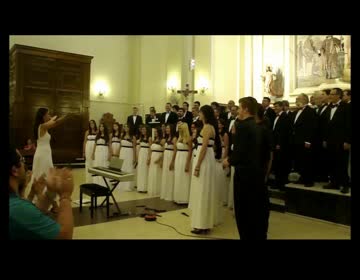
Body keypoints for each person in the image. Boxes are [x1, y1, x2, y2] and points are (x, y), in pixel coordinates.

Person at [223, 97, 270, 240]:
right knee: (258, 209)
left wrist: (228, 160)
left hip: (244, 175)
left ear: (246, 109)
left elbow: (239, 152)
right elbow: (266, 153)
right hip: (258, 173)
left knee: (243, 211)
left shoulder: (242, 126)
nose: (238, 110)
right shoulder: (262, 127)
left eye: (239, 107)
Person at [9, 147, 74, 239]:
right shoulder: (16, 208)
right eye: (22, 160)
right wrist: (65, 195)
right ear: (15, 170)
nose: (24, 165)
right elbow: (64, 236)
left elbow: (30, 218)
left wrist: (49, 192)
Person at [27, 108, 69, 213]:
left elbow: (55, 123)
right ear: (43, 116)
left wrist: (64, 118)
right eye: (47, 114)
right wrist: (61, 116)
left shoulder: (44, 127)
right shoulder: (42, 126)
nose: (49, 116)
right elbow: (54, 121)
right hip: (42, 156)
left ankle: (48, 204)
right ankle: (51, 205)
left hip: (44, 155)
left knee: (45, 178)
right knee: (46, 178)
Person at [189, 105, 221, 234]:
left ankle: (202, 224)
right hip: (206, 158)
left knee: (202, 190)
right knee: (202, 189)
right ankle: (202, 222)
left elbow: (204, 148)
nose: (199, 114)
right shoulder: (207, 127)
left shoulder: (208, 127)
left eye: (201, 112)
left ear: (205, 114)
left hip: (204, 159)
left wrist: (197, 166)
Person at [323, 88, 351, 193]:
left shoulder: (346, 106)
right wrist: (325, 139)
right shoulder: (329, 107)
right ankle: (334, 183)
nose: (329, 96)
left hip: (342, 141)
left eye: (332, 94)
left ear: (338, 95)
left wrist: (348, 141)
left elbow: (349, 124)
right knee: (331, 162)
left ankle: (345, 185)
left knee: (342, 163)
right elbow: (326, 125)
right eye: (329, 94)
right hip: (330, 141)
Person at [290, 93, 317, 187]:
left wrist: (308, 140)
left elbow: (312, 127)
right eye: (296, 99)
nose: (296, 101)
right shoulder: (296, 111)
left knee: (307, 161)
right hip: (296, 141)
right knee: (299, 160)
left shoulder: (310, 111)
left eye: (298, 99)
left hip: (305, 141)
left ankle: (309, 180)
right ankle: (302, 178)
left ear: (305, 100)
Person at [271, 101, 290, 190]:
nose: (275, 108)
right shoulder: (276, 117)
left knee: (281, 165)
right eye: (274, 107)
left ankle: (282, 184)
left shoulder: (285, 116)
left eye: (277, 106)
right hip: (275, 144)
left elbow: (284, 132)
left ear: (282, 107)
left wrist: (279, 143)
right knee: (277, 165)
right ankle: (277, 183)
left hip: (281, 145)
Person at [173, 122, 193, 204]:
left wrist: (187, 163)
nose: (179, 129)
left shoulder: (188, 138)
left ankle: (184, 198)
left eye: (181, 128)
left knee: (184, 177)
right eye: (179, 128)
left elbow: (190, 151)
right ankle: (178, 197)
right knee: (178, 176)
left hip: (185, 157)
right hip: (178, 157)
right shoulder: (178, 138)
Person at [214, 118, 229, 224]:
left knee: (223, 177)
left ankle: (224, 198)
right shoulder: (214, 133)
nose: (219, 125)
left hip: (223, 153)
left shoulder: (225, 134)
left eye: (220, 123)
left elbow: (227, 147)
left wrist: (223, 158)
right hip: (216, 153)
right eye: (217, 123)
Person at [160, 124, 177, 201]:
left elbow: (175, 151)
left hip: (170, 157)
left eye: (168, 128)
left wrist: (172, 162)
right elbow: (164, 150)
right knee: (165, 175)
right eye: (166, 128)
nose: (166, 129)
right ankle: (165, 193)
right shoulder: (166, 138)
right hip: (166, 156)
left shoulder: (174, 139)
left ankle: (170, 194)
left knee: (170, 175)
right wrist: (162, 160)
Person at [92, 123, 112, 187]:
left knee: (104, 165)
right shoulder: (97, 135)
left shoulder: (107, 136)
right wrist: (93, 153)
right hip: (97, 151)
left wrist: (110, 154)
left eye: (102, 126)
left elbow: (109, 145)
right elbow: (95, 145)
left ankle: (104, 183)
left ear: (104, 128)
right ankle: (97, 182)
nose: (101, 127)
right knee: (97, 165)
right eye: (100, 126)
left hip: (104, 151)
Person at [118, 124, 137, 191]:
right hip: (122, 152)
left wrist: (135, 158)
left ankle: (128, 185)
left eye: (127, 126)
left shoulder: (133, 137)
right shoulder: (122, 135)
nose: (126, 128)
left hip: (129, 152)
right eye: (125, 126)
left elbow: (134, 147)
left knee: (128, 167)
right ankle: (122, 184)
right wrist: (118, 154)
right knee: (122, 167)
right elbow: (120, 146)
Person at [147, 127, 165, 196]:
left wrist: (160, 159)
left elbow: (164, 151)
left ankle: (158, 190)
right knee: (152, 173)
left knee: (158, 173)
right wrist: (149, 158)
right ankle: (152, 188)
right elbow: (150, 149)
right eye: (154, 132)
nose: (155, 133)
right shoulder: (153, 140)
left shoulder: (162, 140)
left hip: (158, 156)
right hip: (152, 157)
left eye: (156, 132)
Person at [136, 125, 152, 193]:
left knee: (145, 170)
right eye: (142, 130)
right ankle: (140, 187)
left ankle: (145, 187)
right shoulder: (141, 137)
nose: (143, 131)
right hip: (141, 154)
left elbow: (150, 148)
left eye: (144, 129)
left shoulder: (150, 138)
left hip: (146, 153)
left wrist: (149, 157)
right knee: (141, 169)